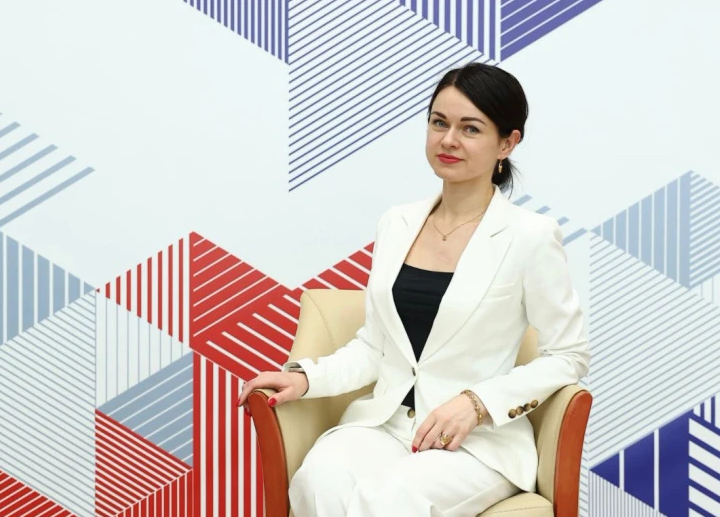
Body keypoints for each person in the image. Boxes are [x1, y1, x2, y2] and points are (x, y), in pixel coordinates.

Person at [236, 62, 590, 517]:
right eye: (439, 122)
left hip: (474, 442)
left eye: (470, 128)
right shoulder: (397, 223)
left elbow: (568, 355)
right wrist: (307, 378)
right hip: (386, 426)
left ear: (507, 143)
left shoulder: (530, 236)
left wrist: (476, 404)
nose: (449, 140)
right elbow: (376, 346)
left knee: (387, 501)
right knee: (316, 482)